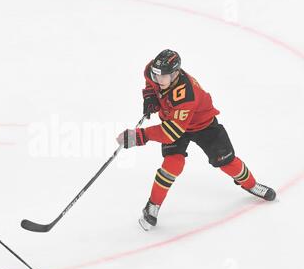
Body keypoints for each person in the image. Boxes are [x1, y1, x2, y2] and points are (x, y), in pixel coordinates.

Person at [116, 49, 276, 231]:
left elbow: (170, 133)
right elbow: (149, 79)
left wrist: (139, 136)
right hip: (175, 121)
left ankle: (252, 185)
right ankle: (152, 206)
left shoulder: (186, 94)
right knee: (172, 164)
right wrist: (151, 96)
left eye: (164, 77)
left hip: (203, 125)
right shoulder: (155, 72)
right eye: (157, 75)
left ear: (176, 74)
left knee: (227, 162)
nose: (158, 80)